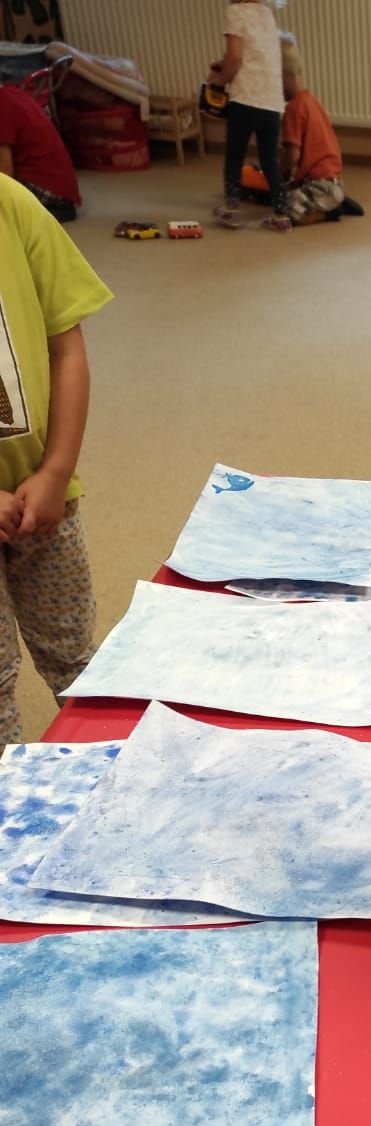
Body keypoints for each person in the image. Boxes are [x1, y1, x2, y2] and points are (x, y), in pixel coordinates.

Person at [0, 173, 111, 745]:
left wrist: (56, 471)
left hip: (45, 500)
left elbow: (66, 348)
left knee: (77, 660)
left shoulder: (11, 205)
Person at [209, 0, 290, 232]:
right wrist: (225, 64)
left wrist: (220, 80)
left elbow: (235, 57)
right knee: (269, 159)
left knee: (235, 156)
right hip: (272, 100)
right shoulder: (267, 14)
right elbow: (258, 55)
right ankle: (281, 214)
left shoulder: (236, 12)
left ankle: (232, 209)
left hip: (245, 98)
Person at [278, 32, 345, 225]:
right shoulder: (311, 101)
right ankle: (333, 203)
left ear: (283, 77)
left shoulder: (293, 108)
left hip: (320, 186)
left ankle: (329, 213)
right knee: (291, 194)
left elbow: (293, 155)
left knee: (284, 208)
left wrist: (279, 176)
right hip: (334, 182)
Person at [0, 82, 81, 222]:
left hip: (49, 192)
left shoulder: (2, 107)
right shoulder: (11, 93)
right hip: (60, 189)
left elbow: (5, 170)